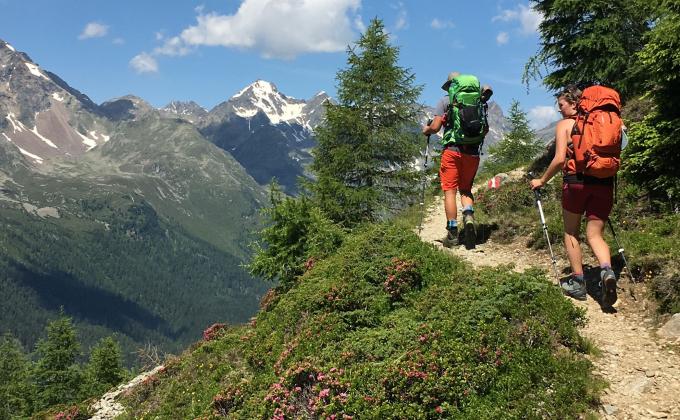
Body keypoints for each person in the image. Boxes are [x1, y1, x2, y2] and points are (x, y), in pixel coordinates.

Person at [529, 86, 617, 306]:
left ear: (573, 103)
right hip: (604, 183)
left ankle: (578, 282)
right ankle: (607, 270)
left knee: (570, 232)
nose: (559, 110)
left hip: (576, 183)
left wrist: (541, 180)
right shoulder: (607, 122)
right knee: (595, 234)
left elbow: (560, 159)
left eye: (561, 105)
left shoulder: (566, 125)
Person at [422, 72, 491, 249]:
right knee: (466, 189)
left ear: (450, 86)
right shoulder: (477, 101)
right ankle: (468, 216)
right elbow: (485, 130)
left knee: (450, 191)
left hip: (452, 151)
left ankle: (452, 234)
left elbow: (436, 127)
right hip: (472, 152)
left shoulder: (445, 102)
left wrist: (427, 129)